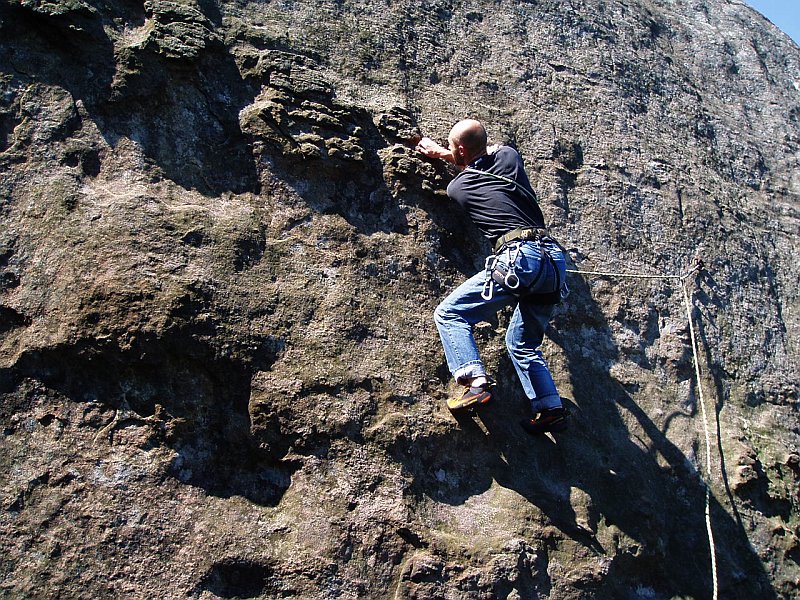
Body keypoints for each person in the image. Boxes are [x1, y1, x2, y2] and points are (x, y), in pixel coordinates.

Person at [416, 119, 569, 434]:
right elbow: (488, 152)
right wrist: (452, 151)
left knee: (450, 314)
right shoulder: (510, 156)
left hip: (519, 259)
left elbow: (466, 169)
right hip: (553, 262)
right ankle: (550, 407)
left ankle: (475, 382)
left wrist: (439, 153)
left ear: (459, 149)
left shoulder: (457, 188)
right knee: (523, 343)